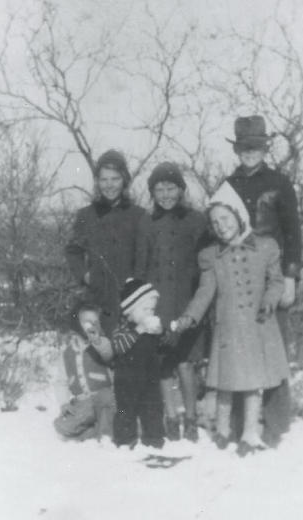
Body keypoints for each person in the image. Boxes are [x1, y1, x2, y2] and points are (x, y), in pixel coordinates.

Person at [175, 182, 289, 456]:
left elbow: (276, 281)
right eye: (215, 223)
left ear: (239, 216)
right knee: (225, 383)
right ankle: (223, 430)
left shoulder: (266, 246)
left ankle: (250, 433)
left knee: (253, 384)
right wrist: (190, 316)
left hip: (258, 326)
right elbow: (205, 292)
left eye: (225, 219)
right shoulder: (212, 256)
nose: (221, 226)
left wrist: (269, 301)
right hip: (228, 328)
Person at [225, 115, 302, 445]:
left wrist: (290, 277)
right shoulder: (228, 185)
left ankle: (276, 424)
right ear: (237, 150)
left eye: (255, 147)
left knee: (274, 349)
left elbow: (294, 233)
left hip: (272, 274)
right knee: (240, 347)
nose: (250, 153)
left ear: (265, 148)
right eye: (244, 148)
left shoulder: (280, 183)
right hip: (240, 275)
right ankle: (242, 424)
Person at [134, 162, 207, 442]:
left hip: (186, 301)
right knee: (163, 364)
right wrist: (142, 307)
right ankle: (171, 417)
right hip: (158, 303)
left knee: (186, 363)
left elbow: (204, 263)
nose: (165, 194)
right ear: (152, 192)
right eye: (159, 189)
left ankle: (191, 417)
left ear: (181, 189)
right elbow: (141, 266)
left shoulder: (195, 220)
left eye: (171, 188)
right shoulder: (147, 222)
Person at [65, 149, 146, 336]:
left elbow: (144, 257)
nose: (109, 185)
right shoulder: (86, 215)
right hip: (98, 299)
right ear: (97, 182)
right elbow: (73, 250)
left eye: (115, 179)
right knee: (99, 356)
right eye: (104, 179)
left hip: (130, 301)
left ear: (124, 180)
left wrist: (137, 287)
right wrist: (85, 276)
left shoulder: (138, 215)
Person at [111, 278, 165, 449]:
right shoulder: (122, 328)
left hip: (149, 375)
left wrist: (161, 333)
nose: (150, 313)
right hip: (126, 378)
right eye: (145, 309)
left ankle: (154, 437)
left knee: (153, 404)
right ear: (130, 311)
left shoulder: (151, 327)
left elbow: (161, 347)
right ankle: (125, 439)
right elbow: (118, 346)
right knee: (125, 408)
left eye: (152, 309)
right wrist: (138, 331)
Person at [54, 300, 115, 442]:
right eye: (87, 322)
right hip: (83, 404)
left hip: (105, 400)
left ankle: (104, 432)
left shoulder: (103, 345)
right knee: (61, 425)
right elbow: (60, 382)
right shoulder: (67, 353)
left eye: (96, 322)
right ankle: (96, 430)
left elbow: (111, 362)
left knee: (109, 406)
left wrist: (98, 343)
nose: (92, 326)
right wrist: (64, 404)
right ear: (77, 324)